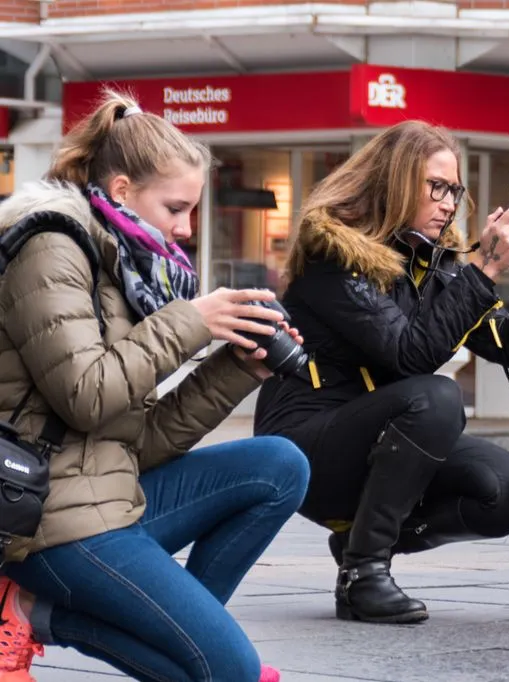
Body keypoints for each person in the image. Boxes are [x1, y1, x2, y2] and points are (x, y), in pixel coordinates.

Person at [0, 90, 310, 682]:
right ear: (122, 191)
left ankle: (181, 639)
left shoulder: (126, 271)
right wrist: (194, 320)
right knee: (231, 672)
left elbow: (139, 443)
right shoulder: (51, 249)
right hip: (44, 520)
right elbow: (87, 396)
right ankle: (35, 611)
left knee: (280, 465)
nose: (186, 228)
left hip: (111, 496)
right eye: (176, 208)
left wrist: (239, 369)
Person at [254, 120, 509, 624]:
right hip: (305, 446)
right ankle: (364, 573)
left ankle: (358, 544)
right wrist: (484, 271)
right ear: (397, 183)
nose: (449, 203)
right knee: (438, 396)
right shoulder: (335, 255)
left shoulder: (436, 265)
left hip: (383, 442)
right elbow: (408, 355)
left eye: (455, 190)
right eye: (436, 187)